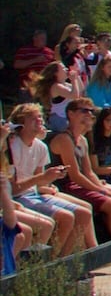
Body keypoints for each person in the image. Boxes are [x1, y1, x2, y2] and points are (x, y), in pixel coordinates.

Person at [9, 103, 94, 256]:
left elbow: (39, 182)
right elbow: (14, 189)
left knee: (83, 213)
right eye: (33, 118)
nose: (39, 120)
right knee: (66, 217)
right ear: (22, 122)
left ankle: (63, 263)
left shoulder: (40, 146)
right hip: (18, 197)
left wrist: (51, 178)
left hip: (34, 194)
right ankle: (48, 264)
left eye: (40, 117)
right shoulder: (12, 147)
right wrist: (42, 178)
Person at [47, 98, 111, 241]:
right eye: (84, 111)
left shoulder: (83, 140)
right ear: (71, 114)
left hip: (78, 184)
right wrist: (102, 191)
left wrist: (103, 188)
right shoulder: (64, 139)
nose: (89, 114)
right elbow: (75, 175)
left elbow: (89, 172)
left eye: (91, 111)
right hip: (64, 186)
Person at [0, 115, 56, 271]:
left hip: (12, 201)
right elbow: (14, 188)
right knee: (29, 230)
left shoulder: (6, 156)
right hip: (15, 199)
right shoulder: (12, 148)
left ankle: (23, 275)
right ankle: (18, 275)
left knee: (27, 231)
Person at [28, 63, 80, 134]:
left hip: (65, 117)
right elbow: (74, 95)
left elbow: (81, 91)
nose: (67, 70)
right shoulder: (56, 86)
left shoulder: (65, 85)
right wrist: (73, 80)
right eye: (63, 68)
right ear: (56, 73)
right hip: (59, 118)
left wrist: (77, 76)